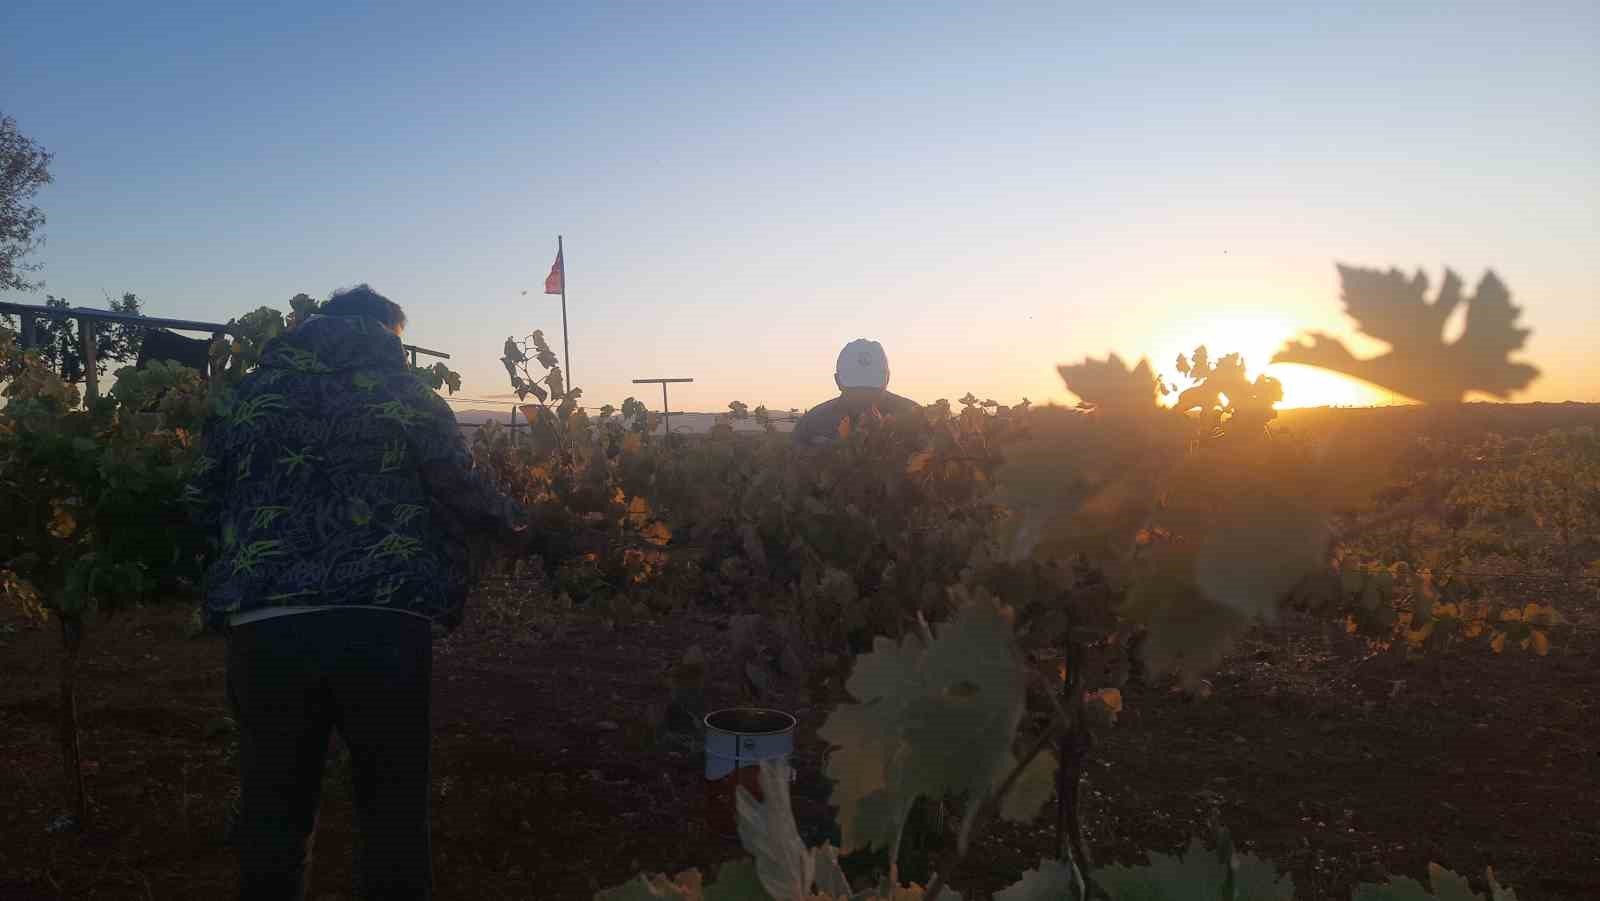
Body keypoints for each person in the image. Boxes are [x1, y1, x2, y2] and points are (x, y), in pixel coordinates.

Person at [188, 285, 525, 900]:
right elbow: (463, 491)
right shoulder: (407, 396)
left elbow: (198, 498)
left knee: (275, 816)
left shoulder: (248, 395)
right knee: (392, 812)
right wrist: (534, 530)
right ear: (386, 332)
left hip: (267, 628)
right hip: (383, 626)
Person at [792, 338, 921, 446]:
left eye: (872, 390)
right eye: (855, 390)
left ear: (888, 379)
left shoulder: (917, 417)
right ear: (837, 381)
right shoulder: (811, 424)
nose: (864, 396)